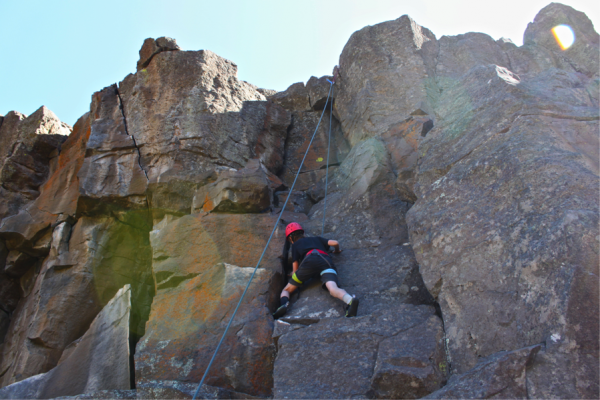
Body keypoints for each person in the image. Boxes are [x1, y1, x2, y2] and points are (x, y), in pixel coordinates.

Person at [273, 222, 359, 319]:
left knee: (286, 290)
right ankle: (350, 300)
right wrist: (336, 251)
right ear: (302, 233)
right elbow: (335, 243)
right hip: (325, 261)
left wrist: (293, 274)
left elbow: (295, 268)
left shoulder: (295, 245)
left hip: (309, 261)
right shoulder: (317, 239)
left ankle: (284, 305)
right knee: (333, 289)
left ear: (290, 239)